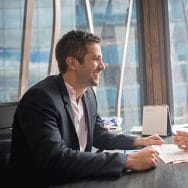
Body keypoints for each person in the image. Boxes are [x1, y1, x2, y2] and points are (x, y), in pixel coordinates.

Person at [9, 30, 164, 186]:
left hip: (78, 178)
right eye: (96, 59)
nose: (102, 66)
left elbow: (98, 134)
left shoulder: (87, 93)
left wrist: (139, 141)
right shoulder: (40, 99)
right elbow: (55, 158)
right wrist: (128, 161)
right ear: (72, 63)